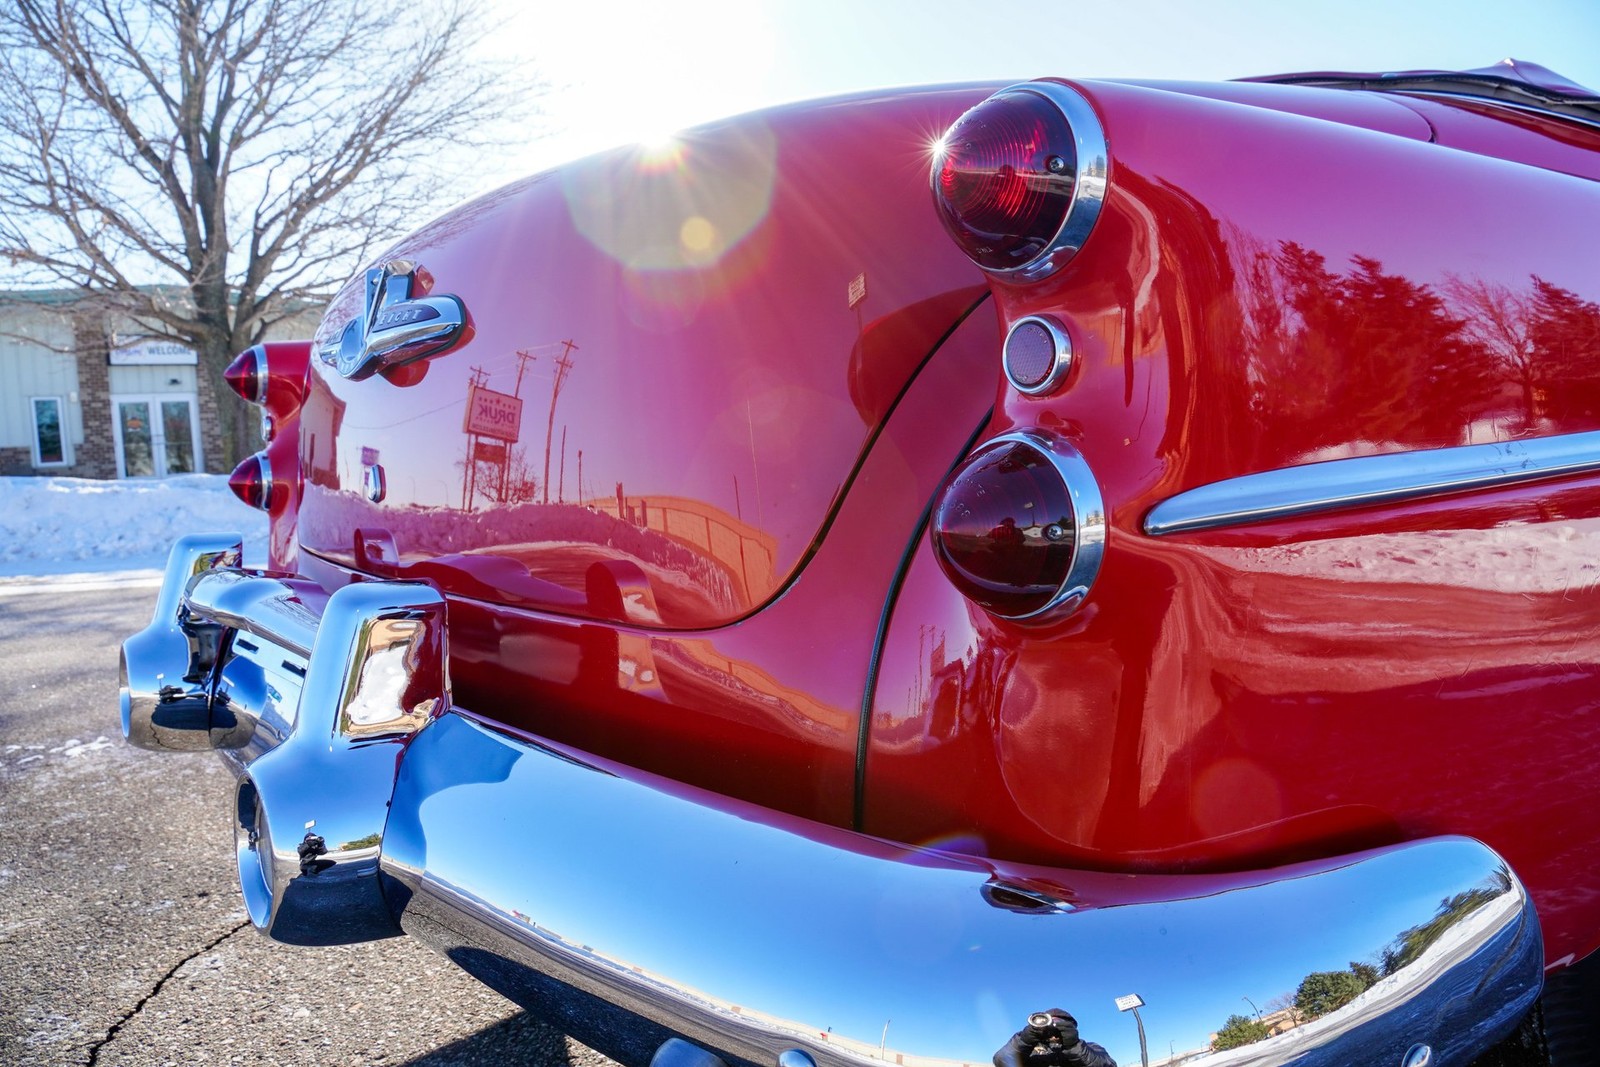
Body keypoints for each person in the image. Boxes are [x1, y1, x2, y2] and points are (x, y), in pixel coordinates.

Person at [994, 1009, 1117, 1067]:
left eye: (1060, 1026)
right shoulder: (1030, 1050)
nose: (1053, 1033)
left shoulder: (1090, 1048)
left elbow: (1108, 1065)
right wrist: (1024, 1040)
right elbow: (1002, 1061)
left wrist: (1073, 1046)